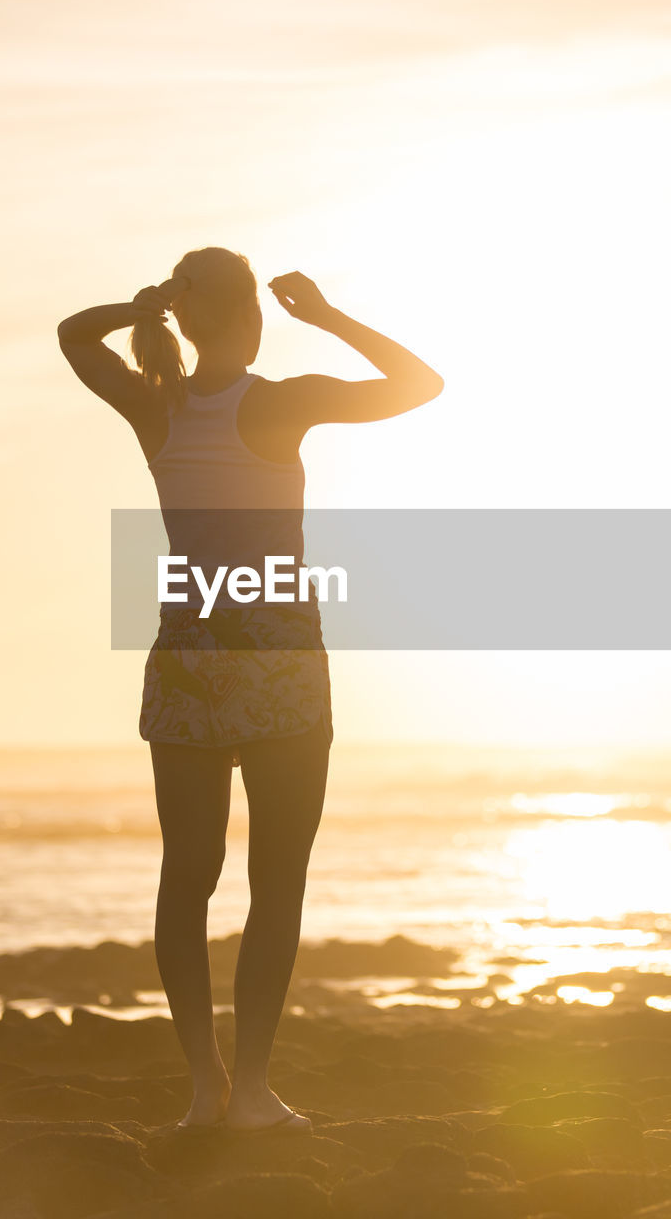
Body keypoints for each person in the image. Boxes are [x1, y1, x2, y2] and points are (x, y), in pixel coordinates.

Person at [57, 247, 442, 1133]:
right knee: (277, 879)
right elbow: (421, 384)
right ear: (253, 319)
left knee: (186, 877)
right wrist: (331, 317)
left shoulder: (156, 406)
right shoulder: (277, 401)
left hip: (191, 658)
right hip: (280, 662)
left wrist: (142, 306)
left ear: (188, 317)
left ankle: (204, 1090)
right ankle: (255, 1093)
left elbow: (76, 338)